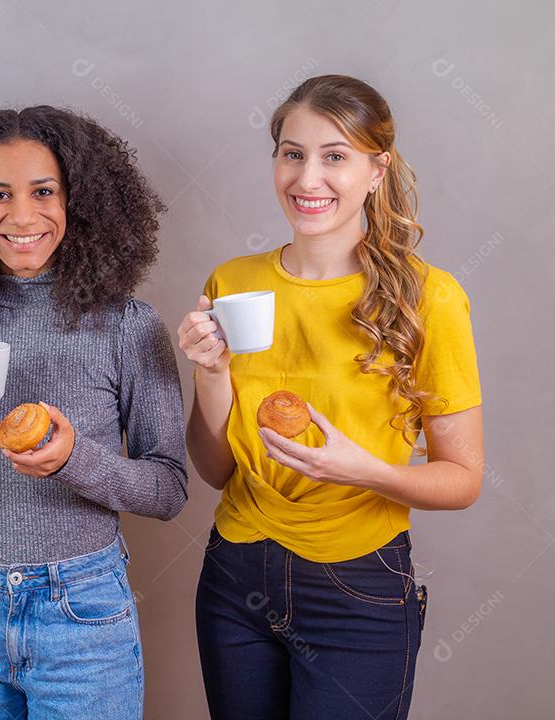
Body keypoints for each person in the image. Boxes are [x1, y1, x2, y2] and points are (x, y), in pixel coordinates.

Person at [180, 75, 483, 719]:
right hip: (236, 572)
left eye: (334, 156)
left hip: (359, 587)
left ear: (379, 169)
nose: (306, 177)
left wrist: (365, 471)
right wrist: (211, 374)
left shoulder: (429, 299)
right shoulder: (233, 283)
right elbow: (215, 471)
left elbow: (464, 480)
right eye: (292, 153)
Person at [0, 106, 187, 719]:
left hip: (83, 616)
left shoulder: (128, 328)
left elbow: (169, 489)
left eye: (44, 192)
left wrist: (76, 460)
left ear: (81, 203)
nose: (21, 217)